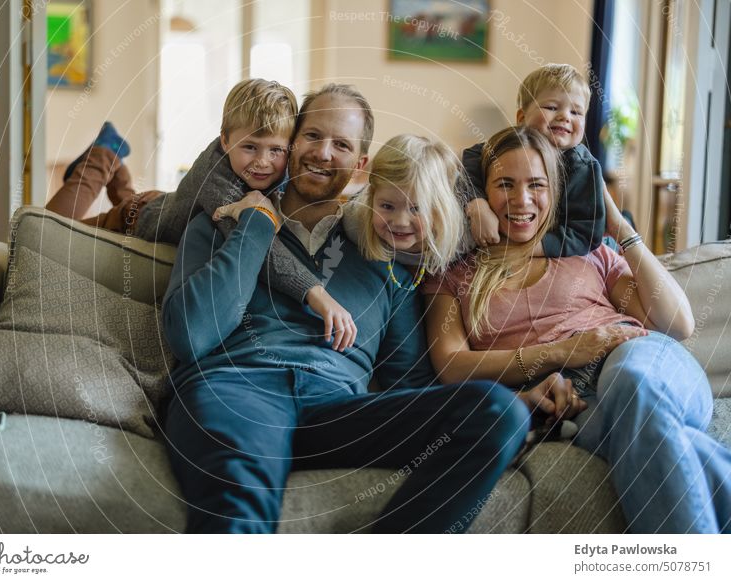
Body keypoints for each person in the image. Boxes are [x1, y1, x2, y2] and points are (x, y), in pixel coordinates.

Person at [161, 84, 536, 534]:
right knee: (238, 504)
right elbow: (190, 334)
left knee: (498, 413)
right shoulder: (223, 219)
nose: (323, 152)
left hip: (334, 410)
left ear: (360, 164)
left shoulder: (385, 248)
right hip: (237, 392)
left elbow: (408, 382)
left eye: (341, 144)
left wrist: (524, 392)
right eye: (313, 135)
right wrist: (256, 226)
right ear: (293, 141)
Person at [424, 125, 731, 533]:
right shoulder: (456, 272)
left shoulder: (587, 252)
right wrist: (562, 353)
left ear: (555, 191)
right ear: (482, 190)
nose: (522, 199)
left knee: (630, 380)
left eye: (537, 184)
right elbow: (452, 364)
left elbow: (677, 323)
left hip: (643, 361)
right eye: (504, 184)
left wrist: (617, 225)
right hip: (578, 403)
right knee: (653, 442)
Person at [46, 79, 357, 351]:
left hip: (171, 202)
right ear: (225, 140)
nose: (263, 162)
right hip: (140, 218)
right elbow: (259, 247)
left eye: (275, 150)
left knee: (142, 198)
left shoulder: (282, 163)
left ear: (289, 147)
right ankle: (103, 154)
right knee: (51, 227)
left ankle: (116, 168)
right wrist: (315, 293)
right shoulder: (217, 179)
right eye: (249, 147)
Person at [463, 63, 605, 257]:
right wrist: (477, 204)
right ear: (521, 117)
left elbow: (586, 233)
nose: (564, 116)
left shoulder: (583, 167)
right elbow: (469, 161)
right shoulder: (508, 148)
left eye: (576, 112)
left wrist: (521, 251)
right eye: (552, 107)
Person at [345, 133, 467, 280]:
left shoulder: (462, 238)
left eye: (416, 209)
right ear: (371, 198)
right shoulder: (354, 224)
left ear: (439, 208)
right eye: (387, 206)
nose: (400, 222)